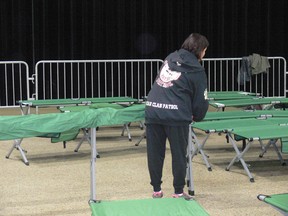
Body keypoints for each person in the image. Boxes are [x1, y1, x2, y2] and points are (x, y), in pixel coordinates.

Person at [145, 33, 209, 199]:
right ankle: (178, 191)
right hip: (176, 114)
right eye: (205, 51)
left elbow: (161, 83)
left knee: (155, 153)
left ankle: (156, 190)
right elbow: (200, 99)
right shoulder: (197, 69)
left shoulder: (170, 57)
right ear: (201, 50)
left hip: (153, 110)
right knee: (179, 154)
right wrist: (197, 115)